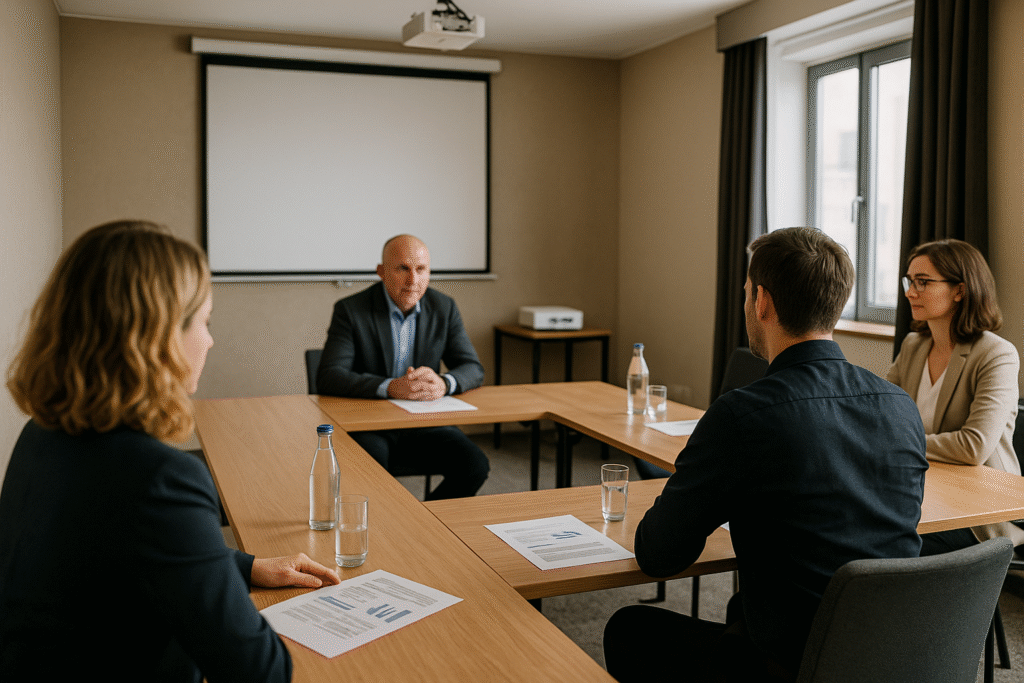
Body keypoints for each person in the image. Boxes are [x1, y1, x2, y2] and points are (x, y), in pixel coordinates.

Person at [0, 221, 340, 682]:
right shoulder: (160, 478)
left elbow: (122, 548)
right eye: (204, 322)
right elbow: (260, 671)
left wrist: (245, 566)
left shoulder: (42, 436)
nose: (210, 340)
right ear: (158, 336)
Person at [603, 227, 928, 682]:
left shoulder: (743, 415)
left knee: (629, 629)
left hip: (795, 664)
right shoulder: (901, 406)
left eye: (745, 293)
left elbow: (658, 553)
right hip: (894, 654)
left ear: (761, 302)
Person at [316, 234, 489, 499]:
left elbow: (472, 368)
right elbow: (330, 376)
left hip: (424, 422)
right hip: (371, 423)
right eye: (403, 269)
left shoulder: (444, 308)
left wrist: (444, 383)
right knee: (372, 474)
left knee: (475, 465)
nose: (413, 281)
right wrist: (390, 387)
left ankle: (426, 520)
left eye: (421, 269)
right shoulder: (351, 310)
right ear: (381, 272)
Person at [887, 239, 1023, 554]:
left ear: (959, 290)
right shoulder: (913, 346)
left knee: (886, 543)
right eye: (910, 281)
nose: (910, 292)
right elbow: (881, 417)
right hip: (924, 492)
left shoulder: (996, 354)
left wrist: (900, 442)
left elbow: (973, 446)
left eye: (923, 282)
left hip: (983, 510)